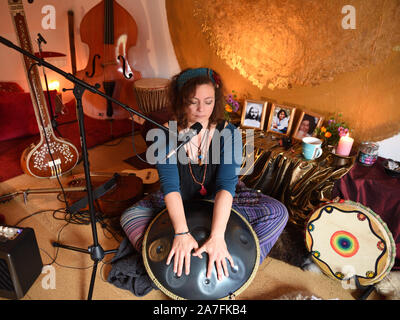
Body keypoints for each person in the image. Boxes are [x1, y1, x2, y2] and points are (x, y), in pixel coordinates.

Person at [120, 67, 288, 282]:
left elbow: (226, 186)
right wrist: (180, 233)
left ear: (215, 101)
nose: (201, 109)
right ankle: (184, 259)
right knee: (129, 217)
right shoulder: (163, 133)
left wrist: (218, 235)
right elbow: (170, 186)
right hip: (180, 200)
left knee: (278, 213)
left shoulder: (229, 133)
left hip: (220, 199)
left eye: (208, 102)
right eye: (193, 101)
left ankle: (230, 261)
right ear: (181, 101)